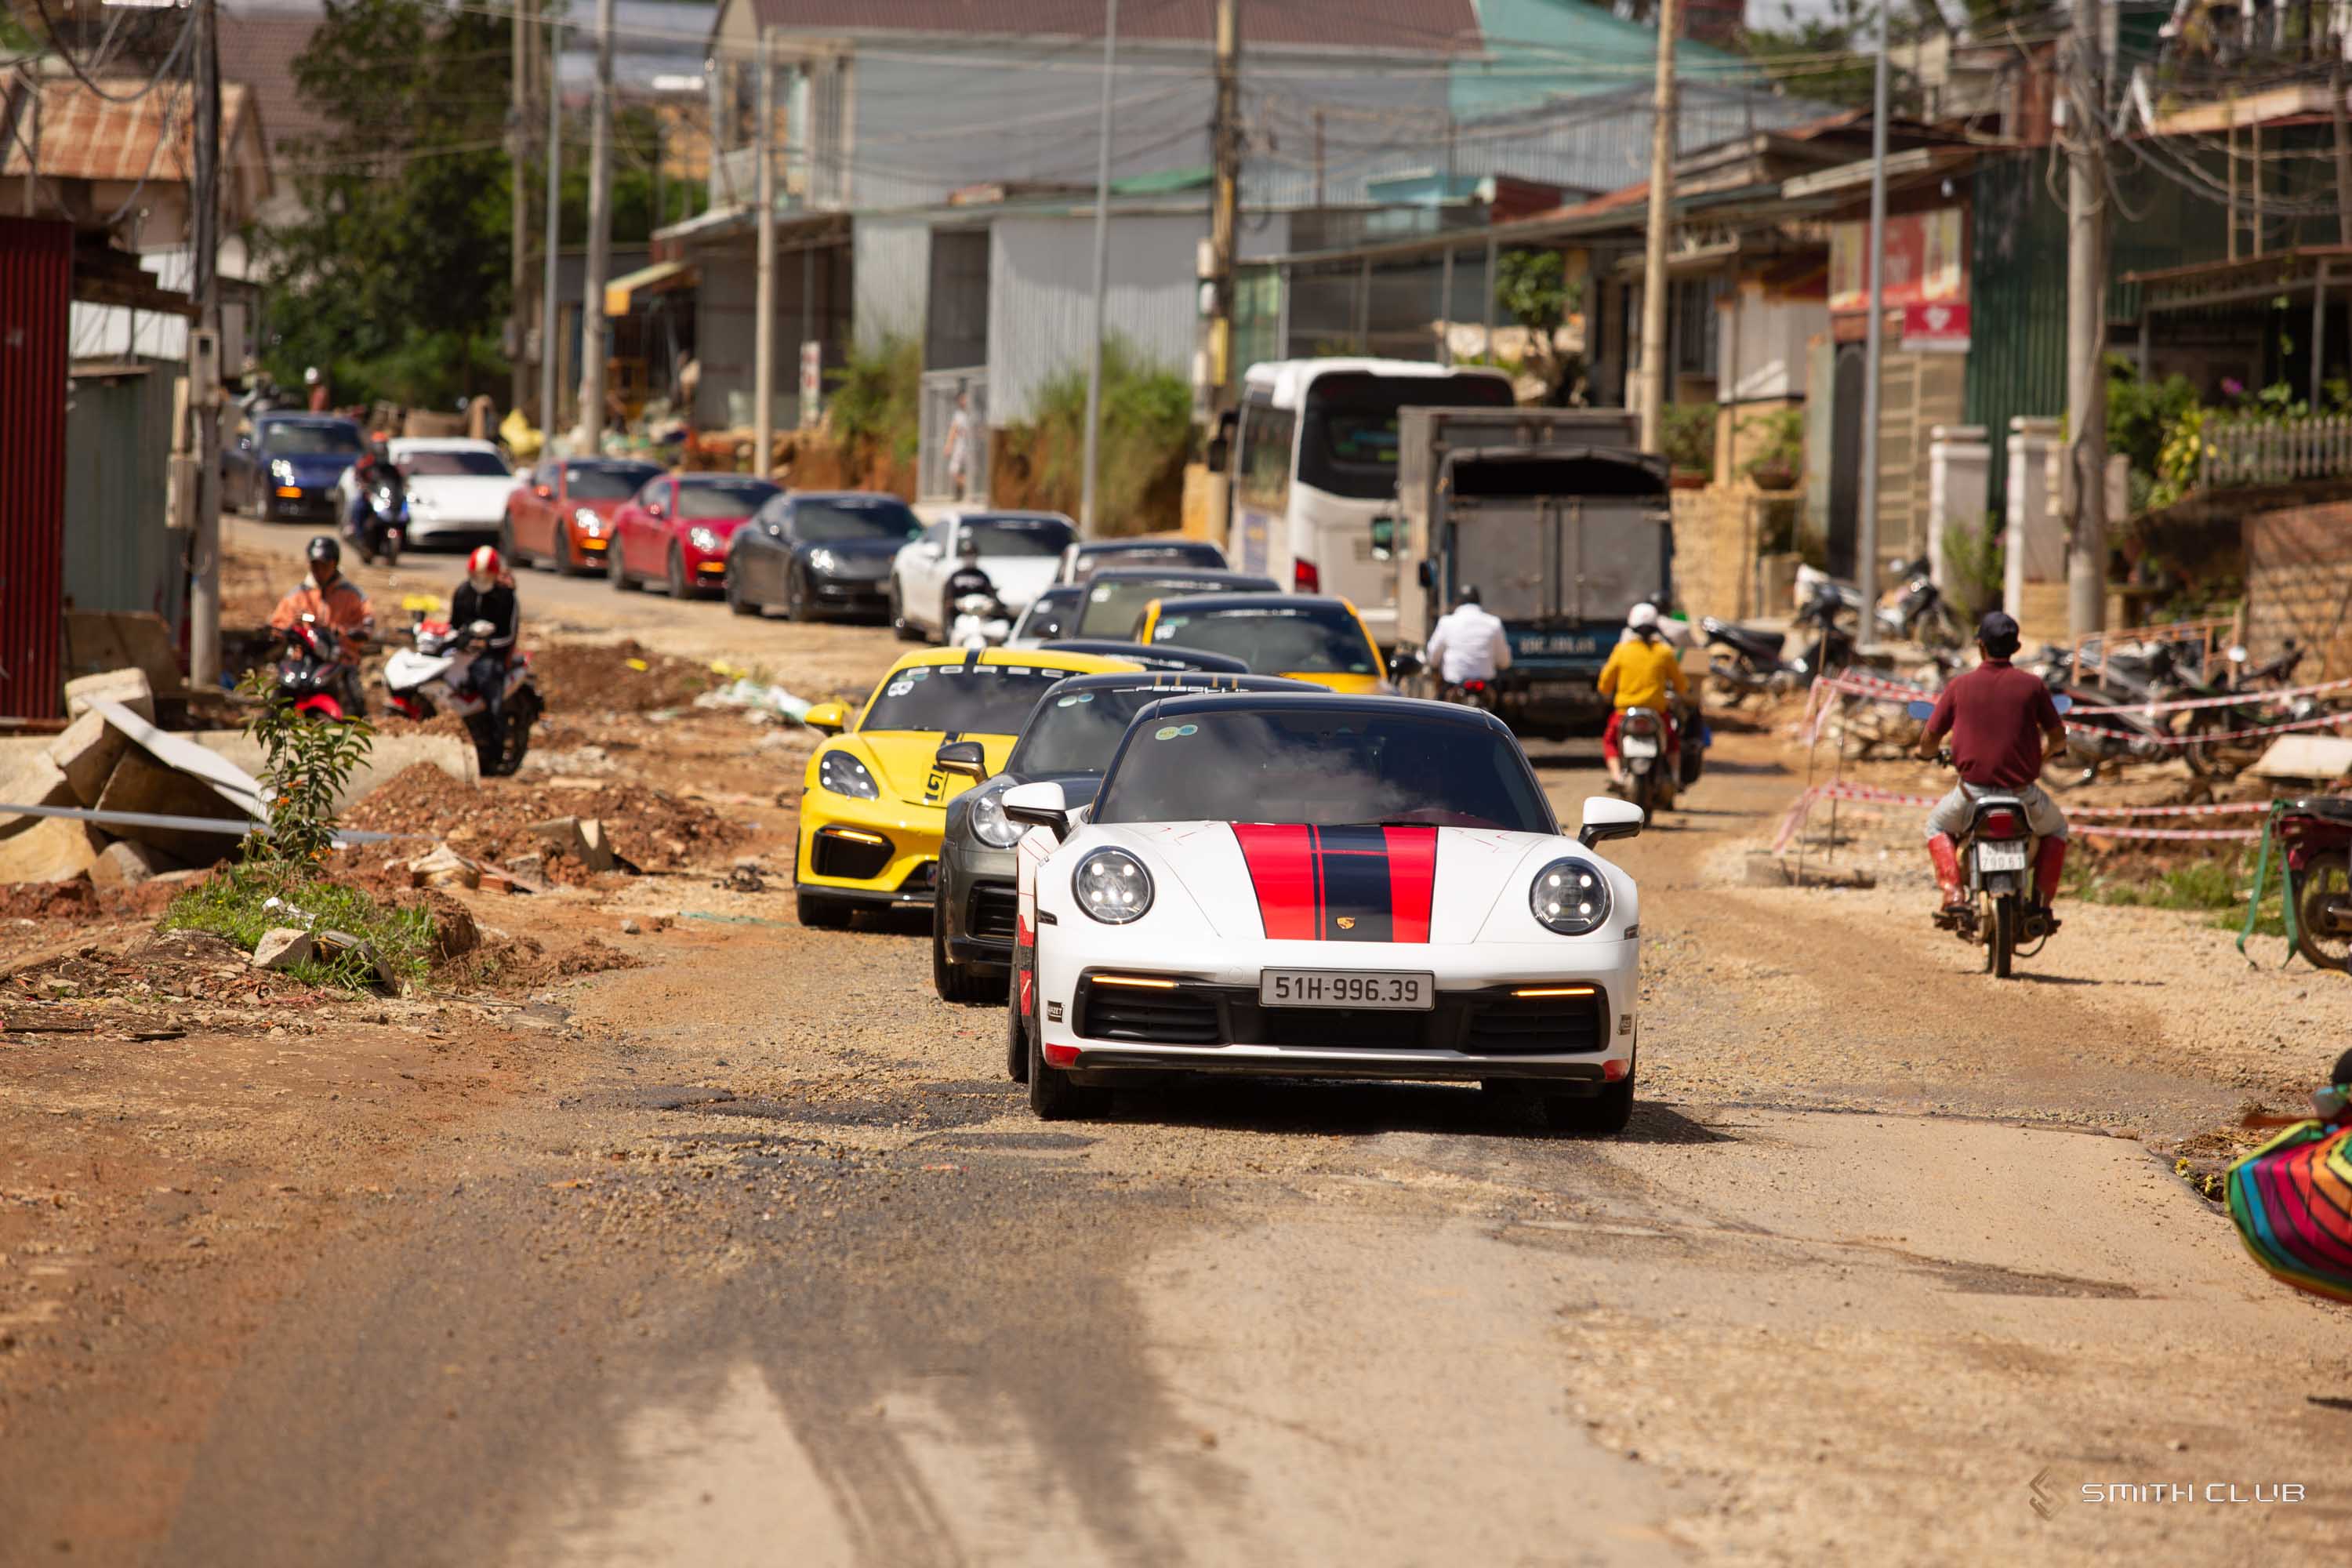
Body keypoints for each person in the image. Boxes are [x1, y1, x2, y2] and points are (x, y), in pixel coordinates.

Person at [1915, 610, 2071, 929]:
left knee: (1935, 826)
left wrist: (1926, 753)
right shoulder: (2033, 686)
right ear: (2016, 648)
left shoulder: (1960, 686)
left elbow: (1930, 736)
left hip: (1972, 795)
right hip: (2023, 796)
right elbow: (2057, 735)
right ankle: (2040, 904)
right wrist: (2046, 754)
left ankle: (1954, 896)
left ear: (1980, 646)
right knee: (2057, 829)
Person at [270, 537, 374, 713]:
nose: (319, 570)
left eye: (324, 565)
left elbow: (367, 624)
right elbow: (277, 625)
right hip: (302, 658)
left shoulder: (352, 595)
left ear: (334, 564)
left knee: (354, 703)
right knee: (278, 696)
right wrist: (290, 628)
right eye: (314, 565)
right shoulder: (298, 594)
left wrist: (343, 632)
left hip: (339, 658)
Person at [1595, 601, 1689, 789]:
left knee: (1610, 740)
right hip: (1657, 714)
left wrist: (1607, 692)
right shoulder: (1664, 652)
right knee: (1672, 743)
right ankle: (1676, 777)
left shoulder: (1622, 651)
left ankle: (1616, 776)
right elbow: (1681, 684)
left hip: (1624, 713)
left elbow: (1604, 685)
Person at [449, 545, 519, 727]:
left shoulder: (506, 598)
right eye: (477, 575)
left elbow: (508, 636)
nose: (481, 580)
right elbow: (454, 625)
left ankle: (496, 740)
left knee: (490, 691)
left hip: (492, 655)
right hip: (462, 653)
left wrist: (485, 644)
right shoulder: (463, 592)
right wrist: (463, 639)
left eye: (486, 576)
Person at [1424, 586, 1512, 694]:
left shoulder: (1446, 622)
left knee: (1439, 706)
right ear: (1479, 602)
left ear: (1458, 602)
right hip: (1485, 688)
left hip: (1454, 687)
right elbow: (1505, 661)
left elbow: (1433, 658)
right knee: (1499, 709)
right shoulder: (1494, 623)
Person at [945, 391, 975, 502]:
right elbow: (954, 430)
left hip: (965, 447)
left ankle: (970, 490)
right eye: (962, 399)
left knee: (955, 470)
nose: (964, 401)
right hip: (963, 446)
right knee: (955, 471)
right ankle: (968, 491)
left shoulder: (969, 413)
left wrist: (948, 445)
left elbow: (954, 430)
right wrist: (949, 445)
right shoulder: (960, 414)